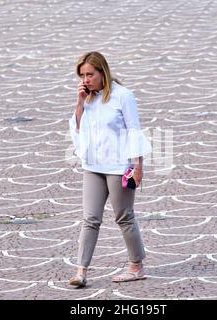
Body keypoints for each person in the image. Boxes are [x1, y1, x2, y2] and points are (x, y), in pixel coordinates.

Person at [68, 52, 152, 287]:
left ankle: (136, 267)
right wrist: (80, 103)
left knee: (124, 217)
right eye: (82, 75)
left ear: (102, 72)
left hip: (118, 167)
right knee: (90, 218)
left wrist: (138, 165)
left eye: (90, 75)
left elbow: (134, 130)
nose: (85, 80)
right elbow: (77, 129)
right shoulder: (88, 98)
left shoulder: (122, 96)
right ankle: (81, 271)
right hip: (93, 166)